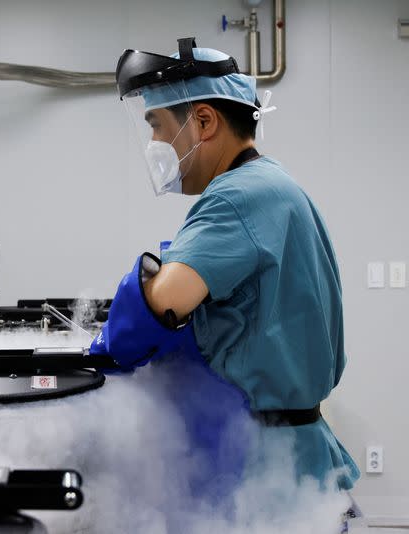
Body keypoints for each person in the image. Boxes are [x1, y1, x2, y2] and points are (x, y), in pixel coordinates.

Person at [90, 37, 359, 497]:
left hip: (267, 467)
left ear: (204, 121)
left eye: (156, 124)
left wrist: (108, 345)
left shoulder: (237, 196)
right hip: (293, 453)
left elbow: (166, 301)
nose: (154, 141)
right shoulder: (276, 184)